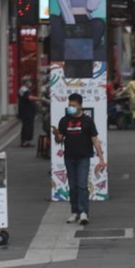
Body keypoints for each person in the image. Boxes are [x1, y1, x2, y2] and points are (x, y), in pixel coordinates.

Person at [51, 93, 106, 225]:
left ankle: (83, 212)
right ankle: (74, 211)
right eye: (69, 105)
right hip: (69, 157)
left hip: (83, 158)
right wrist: (56, 134)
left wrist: (101, 159)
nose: (71, 107)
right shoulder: (64, 120)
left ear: (80, 106)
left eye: (73, 105)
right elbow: (59, 140)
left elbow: (95, 140)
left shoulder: (87, 121)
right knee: (72, 186)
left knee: (82, 185)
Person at [18, 76, 40, 147]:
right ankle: (25, 142)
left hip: (25, 111)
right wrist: (39, 99)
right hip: (26, 111)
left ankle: (25, 141)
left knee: (26, 126)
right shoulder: (24, 90)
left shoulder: (23, 89)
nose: (30, 83)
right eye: (29, 81)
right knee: (27, 126)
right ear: (26, 82)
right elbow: (30, 98)